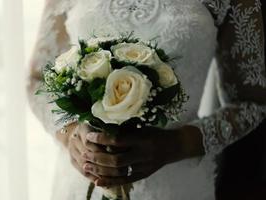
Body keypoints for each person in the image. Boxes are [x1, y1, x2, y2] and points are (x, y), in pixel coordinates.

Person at [27, 0, 266, 199]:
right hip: (82, 181)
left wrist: (176, 144)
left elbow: (252, 104)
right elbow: (37, 78)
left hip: (175, 185)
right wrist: (70, 136)